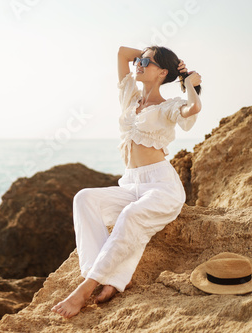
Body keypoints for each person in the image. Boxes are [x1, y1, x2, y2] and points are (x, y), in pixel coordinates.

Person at [51, 45, 202, 319]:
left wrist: (187, 80)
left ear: (162, 73)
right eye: (140, 60)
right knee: (84, 198)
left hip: (161, 186)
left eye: (147, 62)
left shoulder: (168, 107)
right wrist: (156, 54)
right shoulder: (130, 97)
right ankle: (110, 276)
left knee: (131, 216)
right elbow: (122, 52)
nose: (139, 64)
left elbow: (194, 107)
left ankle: (87, 288)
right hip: (131, 183)